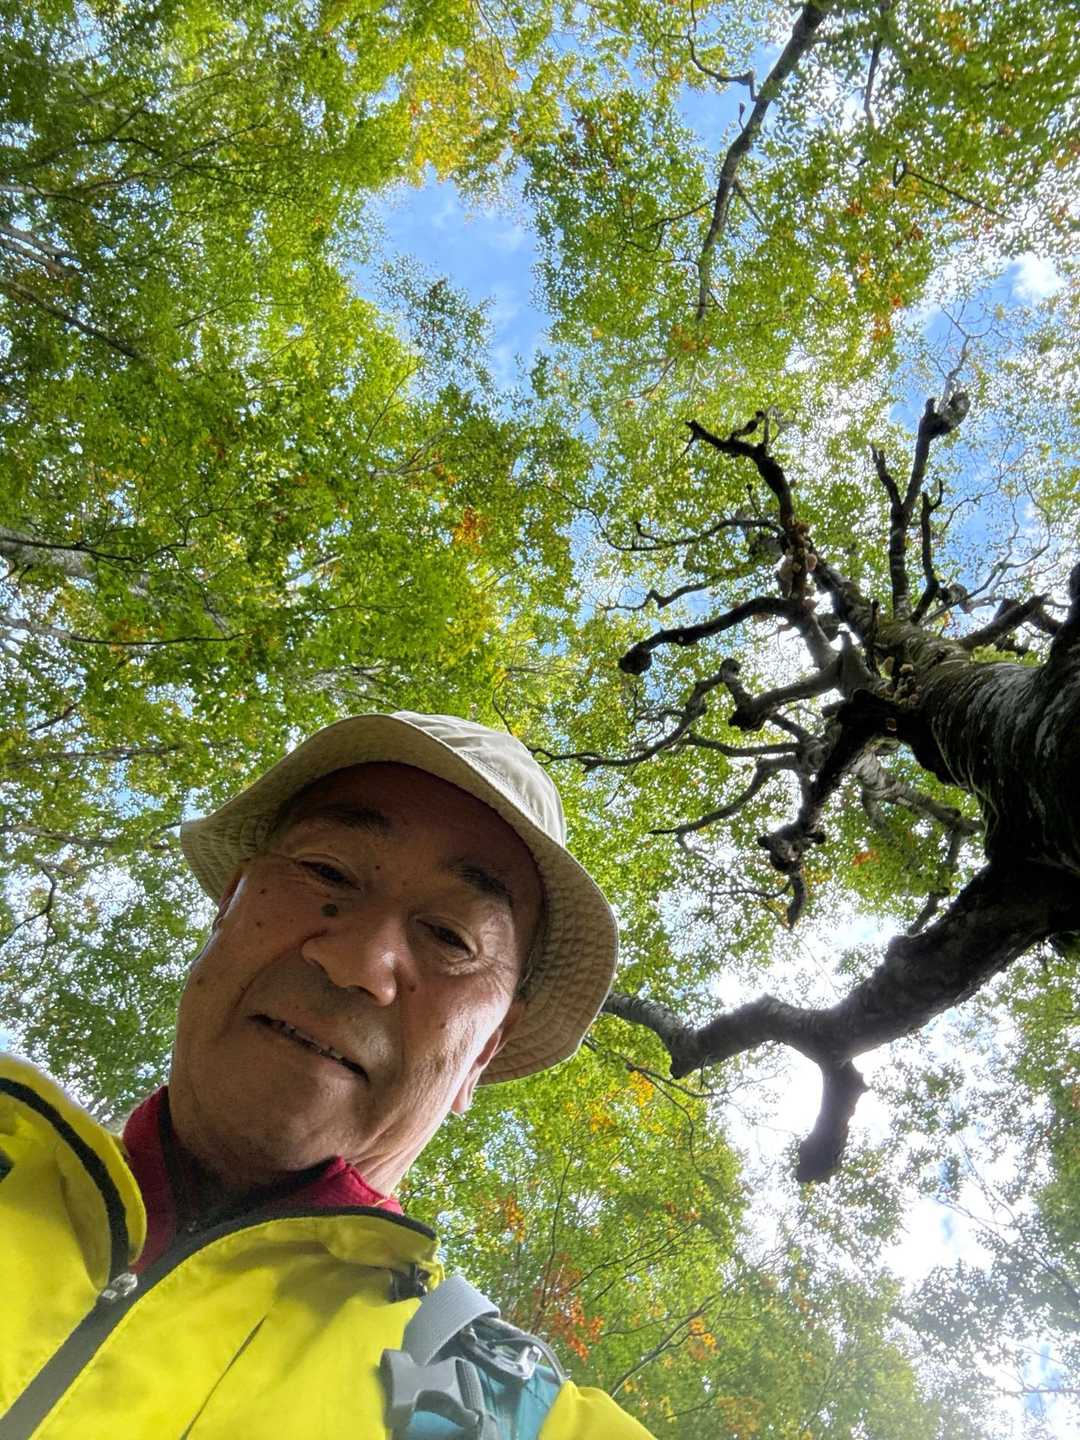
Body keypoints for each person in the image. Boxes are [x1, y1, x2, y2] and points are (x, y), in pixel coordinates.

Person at [0, 711, 656, 1438]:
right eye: (327, 872)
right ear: (229, 905)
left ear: (484, 1053)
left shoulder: (519, 1422)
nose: (355, 964)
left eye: (449, 936)